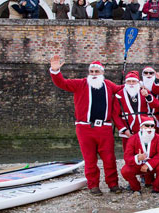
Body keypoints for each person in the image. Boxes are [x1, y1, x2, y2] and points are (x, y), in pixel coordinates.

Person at [50, 56, 125, 195]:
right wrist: (55, 71)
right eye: (92, 71)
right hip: (85, 128)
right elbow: (62, 83)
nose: (94, 74)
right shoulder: (81, 84)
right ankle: (93, 186)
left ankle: (113, 184)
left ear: (102, 73)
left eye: (97, 71)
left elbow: (122, 89)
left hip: (105, 128)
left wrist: (134, 83)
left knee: (109, 158)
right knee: (90, 159)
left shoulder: (108, 85)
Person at [121, 116, 159, 194]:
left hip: (152, 165)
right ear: (141, 127)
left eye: (152, 126)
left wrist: (148, 164)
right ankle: (136, 188)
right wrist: (137, 158)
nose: (149, 128)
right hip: (138, 165)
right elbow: (127, 157)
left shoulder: (158, 138)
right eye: (147, 125)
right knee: (125, 170)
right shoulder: (132, 139)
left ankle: (156, 187)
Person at [115, 71, 159, 151]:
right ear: (125, 82)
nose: (131, 83)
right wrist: (124, 129)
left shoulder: (144, 91)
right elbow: (115, 115)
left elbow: (156, 105)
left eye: (133, 81)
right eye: (129, 81)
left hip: (143, 126)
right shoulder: (119, 95)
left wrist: (147, 96)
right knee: (128, 150)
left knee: (145, 150)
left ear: (138, 82)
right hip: (127, 127)